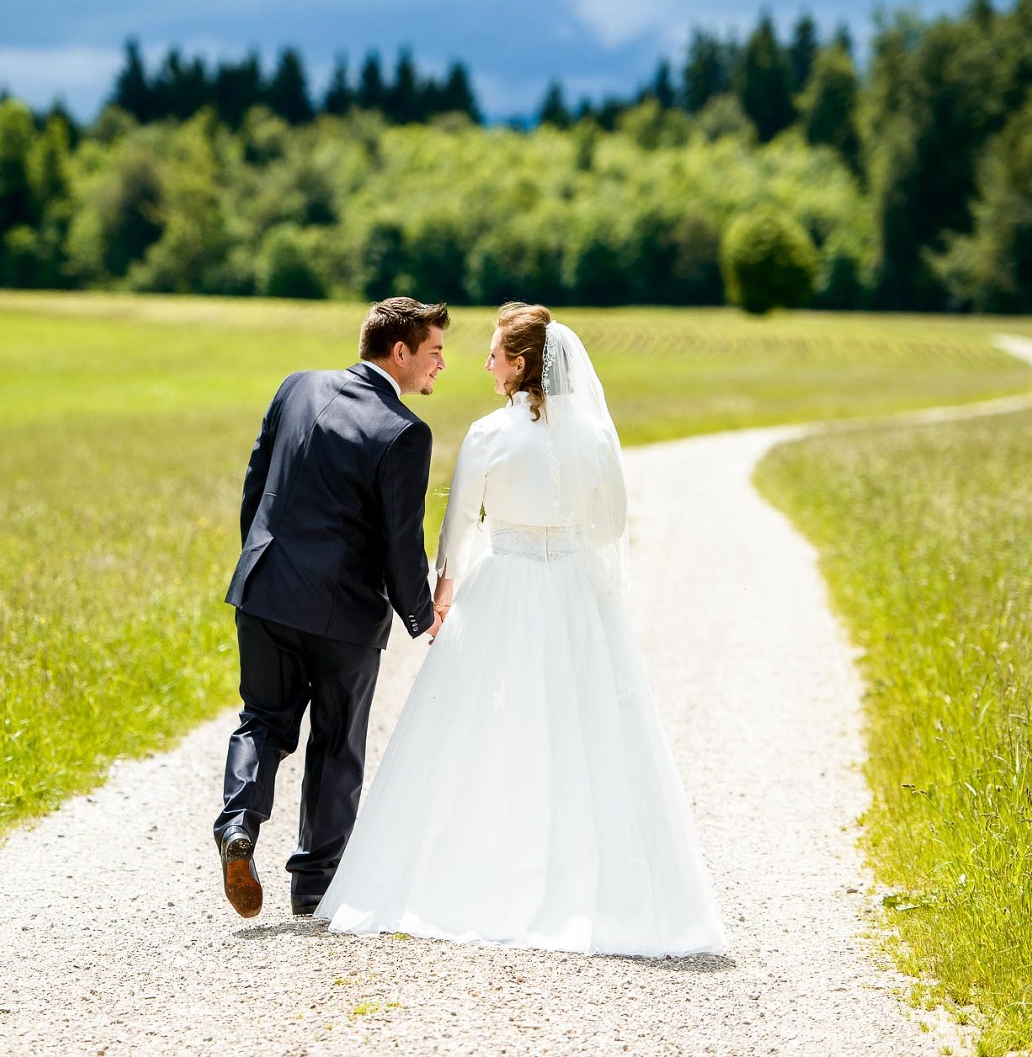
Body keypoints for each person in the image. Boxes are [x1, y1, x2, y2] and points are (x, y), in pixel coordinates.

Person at [315, 303, 728, 957]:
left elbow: (458, 528)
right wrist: (568, 547)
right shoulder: (592, 436)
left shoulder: (487, 434)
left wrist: (443, 592)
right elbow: (613, 522)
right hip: (571, 588)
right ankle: (584, 878)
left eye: (495, 352)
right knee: (578, 729)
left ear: (522, 364)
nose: (484, 363)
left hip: (501, 583)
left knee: (482, 729)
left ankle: (473, 871)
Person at [214, 297, 448, 919]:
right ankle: (313, 886)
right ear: (399, 352)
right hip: (343, 618)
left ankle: (238, 826)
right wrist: (422, 617)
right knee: (337, 742)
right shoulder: (404, 431)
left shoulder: (296, 387)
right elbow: (402, 545)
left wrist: (261, 561)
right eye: (434, 352)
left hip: (264, 591)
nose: (441, 365)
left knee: (261, 720)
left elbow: (256, 485)